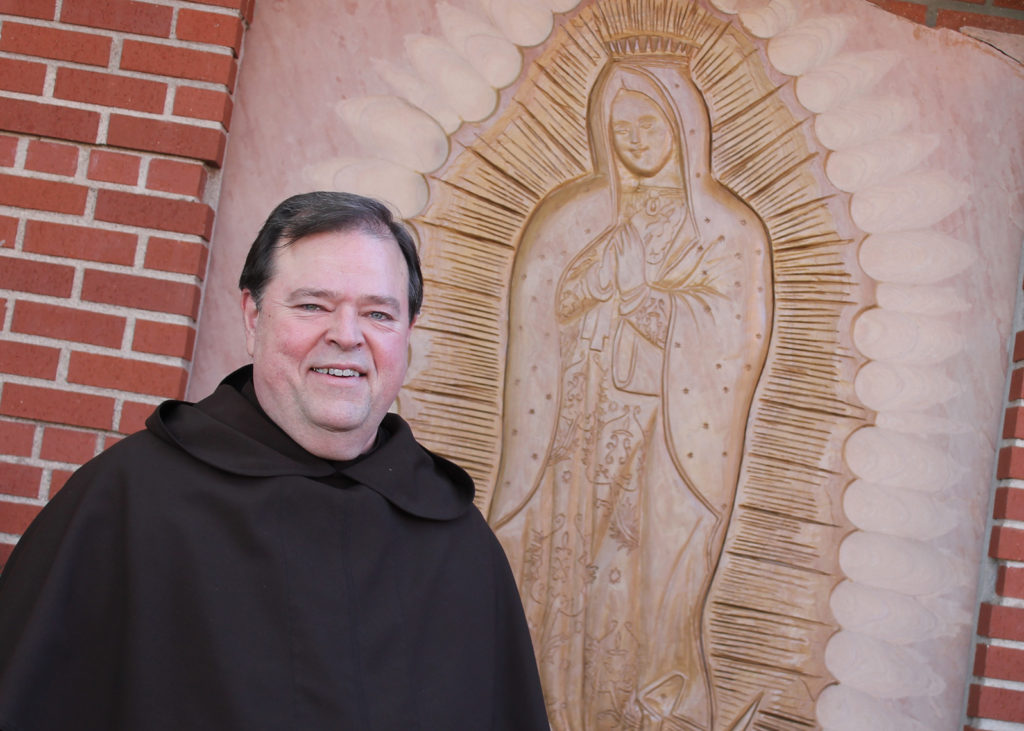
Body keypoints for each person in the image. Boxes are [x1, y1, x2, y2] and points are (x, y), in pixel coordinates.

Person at [0, 191, 549, 730]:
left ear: (407, 336)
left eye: (379, 313)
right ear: (252, 316)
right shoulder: (128, 502)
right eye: (313, 305)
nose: (346, 336)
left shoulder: (459, 546)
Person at [488, 59, 772, 729]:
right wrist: (596, 293)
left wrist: (648, 300)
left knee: (636, 584)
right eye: (621, 129)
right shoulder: (580, 217)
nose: (636, 140)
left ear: (683, 126)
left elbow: (732, 335)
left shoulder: (729, 231)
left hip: (668, 439)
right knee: (575, 571)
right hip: (585, 429)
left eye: (649, 124)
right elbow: (556, 302)